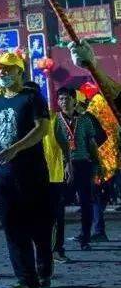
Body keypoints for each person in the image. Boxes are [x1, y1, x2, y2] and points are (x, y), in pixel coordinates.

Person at [0, 52, 52, 288]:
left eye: (8, 69)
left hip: (31, 172)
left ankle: (44, 271)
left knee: (38, 226)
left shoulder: (32, 98)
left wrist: (15, 148)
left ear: (20, 71)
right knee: (12, 226)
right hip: (3, 174)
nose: (3, 73)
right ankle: (25, 279)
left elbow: (42, 129)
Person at [55, 86, 101, 251]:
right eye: (60, 99)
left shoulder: (85, 120)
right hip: (62, 166)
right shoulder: (55, 120)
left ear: (74, 100)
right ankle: (57, 242)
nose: (64, 101)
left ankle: (85, 238)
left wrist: (98, 165)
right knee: (58, 203)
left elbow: (92, 144)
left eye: (67, 98)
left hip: (83, 164)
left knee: (86, 202)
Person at [41, 97, 72, 262]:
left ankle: (56, 249)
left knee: (57, 216)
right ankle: (42, 251)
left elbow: (64, 144)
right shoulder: (23, 119)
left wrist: (68, 166)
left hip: (54, 174)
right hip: (31, 176)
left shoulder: (53, 118)